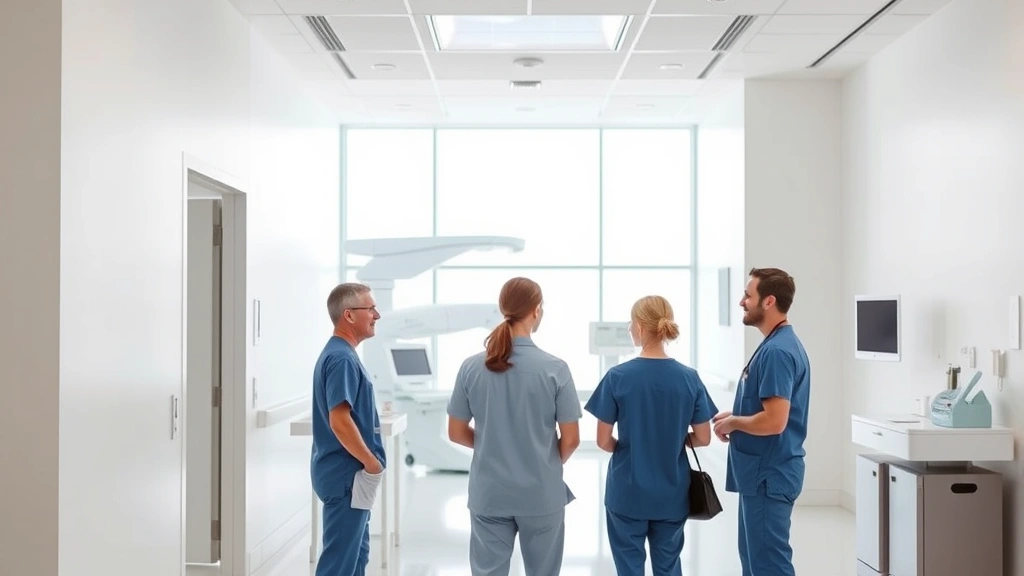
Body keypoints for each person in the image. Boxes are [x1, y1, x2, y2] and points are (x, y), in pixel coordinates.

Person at [446, 277, 582, 576]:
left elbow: (455, 432)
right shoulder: (555, 368)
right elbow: (571, 439)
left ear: (503, 308)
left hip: (490, 494)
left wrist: (493, 445)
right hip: (541, 493)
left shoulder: (471, 367)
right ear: (536, 310)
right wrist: (542, 461)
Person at [584, 295, 717, 576]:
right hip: (672, 495)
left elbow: (603, 441)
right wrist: (672, 439)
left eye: (631, 323)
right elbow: (704, 437)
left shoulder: (617, 376)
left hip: (627, 493)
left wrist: (630, 447)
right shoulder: (689, 378)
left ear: (641, 327)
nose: (629, 329)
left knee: (629, 569)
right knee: (668, 568)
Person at [711, 267, 810, 576]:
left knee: (768, 565)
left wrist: (735, 423)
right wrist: (735, 415)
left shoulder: (778, 352)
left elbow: (775, 421)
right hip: (761, 475)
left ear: (769, 301)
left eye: (747, 295)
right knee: (755, 561)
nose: (742, 302)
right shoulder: (775, 344)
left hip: (770, 475)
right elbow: (767, 406)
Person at [309, 282, 387, 576]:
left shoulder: (343, 354)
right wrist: (371, 462)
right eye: (370, 308)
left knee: (356, 558)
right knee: (339, 565)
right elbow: (339, 421)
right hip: (347, 476)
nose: (377, 315)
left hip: (348, 476)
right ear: (349, 315)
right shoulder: (341, 358)